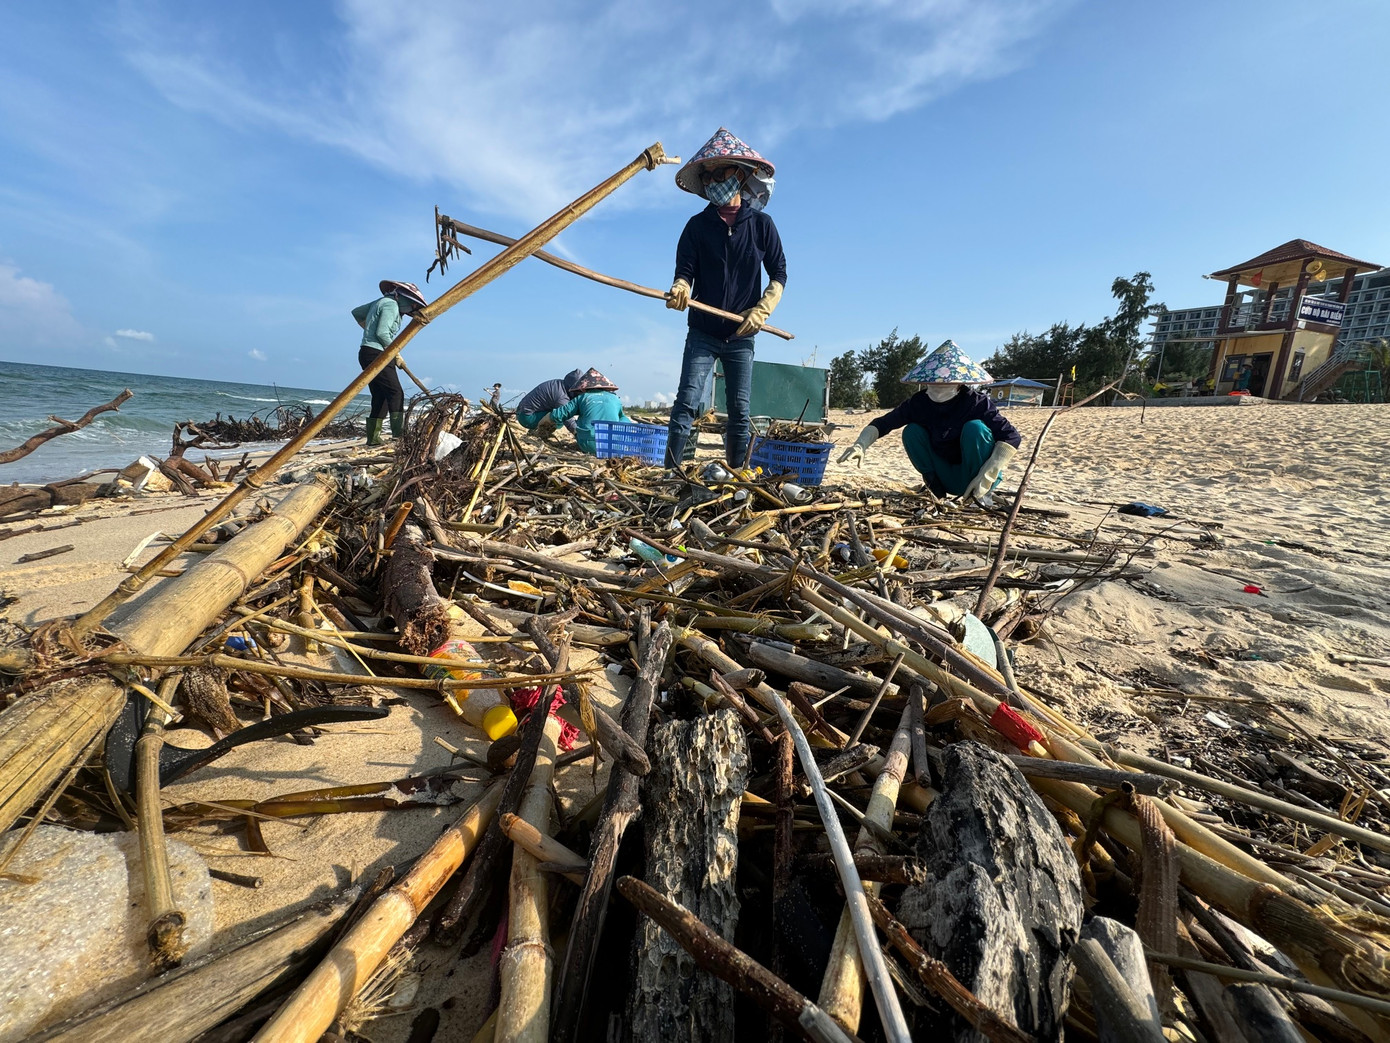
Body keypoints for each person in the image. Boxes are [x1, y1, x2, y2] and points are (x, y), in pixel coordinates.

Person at [664, 127, 786, 470]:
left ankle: (736, 475)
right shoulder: (696, 226)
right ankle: (672, 475)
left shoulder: (762, 226)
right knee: (686, 403)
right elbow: (685, 270)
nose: (715, 179)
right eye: (710, 174)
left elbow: (779, 273)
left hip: (741, 336)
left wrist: (761, 311)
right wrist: (681, 289)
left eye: (722, 172)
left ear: (741, 174)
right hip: (703, 332)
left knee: (739, 411)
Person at [839, 341, 1021, 503]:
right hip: (946, 476)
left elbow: (1011, 436)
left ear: (959, 382)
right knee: (911, 431)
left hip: (977, 474)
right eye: (933, 382)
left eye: (946, 382)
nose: (939, 386)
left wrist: (987, 475)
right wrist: (860, 445)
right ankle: (936, 488)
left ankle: (979, 494)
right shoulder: (919, 403)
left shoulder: (976, 402)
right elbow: (883, 423)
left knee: (975, 428)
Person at [352, 279, 427, 446]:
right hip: (378, 353)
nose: (413, 309)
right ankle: (399, 437)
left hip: (366, 352)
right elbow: (382, 333)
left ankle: (373, 439)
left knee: (380, 395)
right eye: (413, 305)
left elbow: (357, 312)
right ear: (405, 297)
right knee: (395, 392)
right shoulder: (391, 305)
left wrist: (368, 329)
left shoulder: (381, 301)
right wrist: (396, 354)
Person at [547, 368, 630, 455]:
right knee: (621, 420)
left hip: (589, 445)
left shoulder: (582, 397)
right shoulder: (615, 399)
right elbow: (624, 420)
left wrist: (544, 422)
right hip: (613, 445)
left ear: (583, 388)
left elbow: (559, 414)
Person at [516, 369, 584, 436]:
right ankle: (540, 433)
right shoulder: (561, 396)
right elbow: (567, 417)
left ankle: (535, 430)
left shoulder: (559, 384)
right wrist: (579, 434)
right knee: (559, 418)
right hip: (526, 417)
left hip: (523, 412)